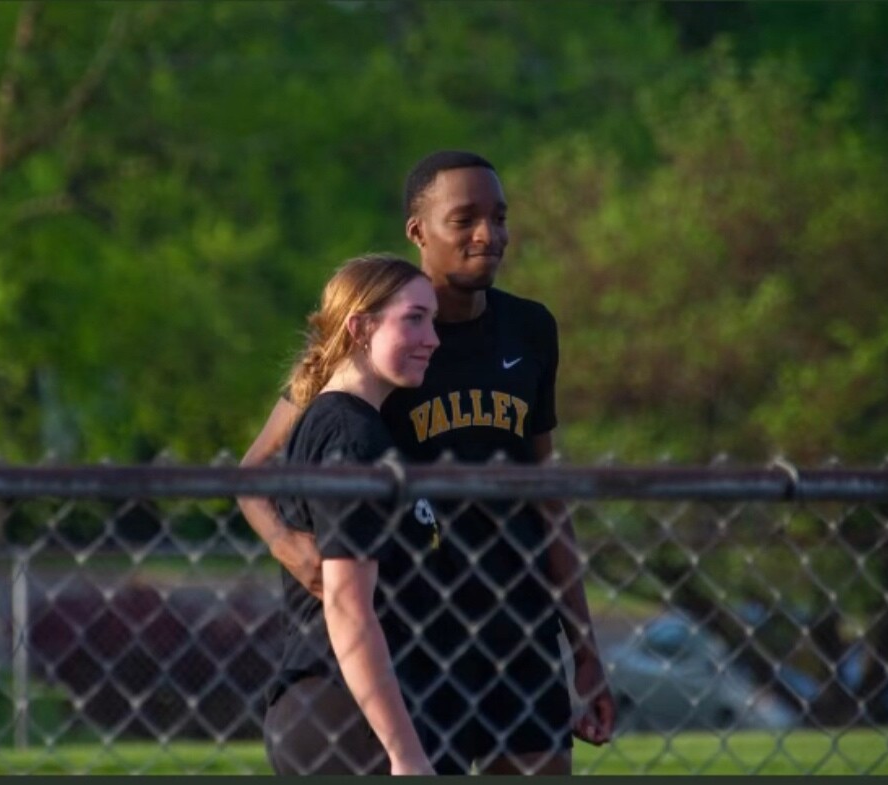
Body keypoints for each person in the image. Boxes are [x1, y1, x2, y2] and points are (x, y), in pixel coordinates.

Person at [239, 151, 615, 775]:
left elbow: (547, 497)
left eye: (499, 217)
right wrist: (290, 546)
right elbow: (254, 471)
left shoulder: (529, 330)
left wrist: (584, 647)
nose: (488, 234)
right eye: (464, 219)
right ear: (418, 231)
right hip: (417, 634)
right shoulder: (384, 339)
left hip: (516, 624)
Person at [261, 254, 440, 776]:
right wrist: (405, 755)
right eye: (414, 319)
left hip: (347, 713)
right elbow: (347, 607)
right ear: (360, 328)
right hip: (342, 717)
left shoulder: (355, 425)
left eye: (433, 320)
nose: (433, 338)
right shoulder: (350, 436)